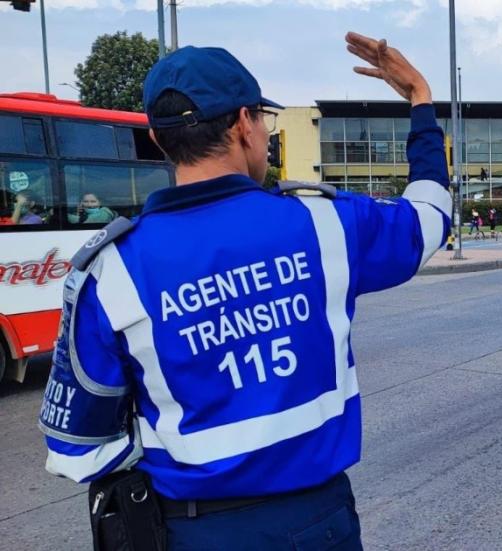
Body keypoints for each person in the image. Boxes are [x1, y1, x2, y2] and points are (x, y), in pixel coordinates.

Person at [38, 36, 450, 549]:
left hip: (191, 531)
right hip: (318, 524)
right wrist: (420, 99)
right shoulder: (325, 223)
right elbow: (429, 219)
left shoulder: (110, 268)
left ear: (163, 141)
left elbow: (79, 450)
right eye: (263, 120)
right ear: (241, 124)